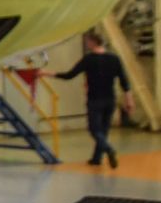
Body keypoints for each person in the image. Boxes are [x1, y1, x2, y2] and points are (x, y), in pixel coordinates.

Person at [42, 33, 135, 168]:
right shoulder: (114, 59)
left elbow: (69, 75)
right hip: (110, 99)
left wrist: (46, 73)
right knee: (103, 130)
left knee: (94, 129)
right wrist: (129, 101)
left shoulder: (89, 59)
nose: (86, 44)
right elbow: (124, 82)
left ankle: (109, 150)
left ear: (92, 42)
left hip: (95, 99)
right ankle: (96, 159)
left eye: (87, 42)